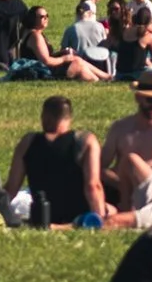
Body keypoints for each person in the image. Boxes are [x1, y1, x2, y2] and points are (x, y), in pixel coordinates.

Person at [7, 93, 106, 227]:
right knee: (112, 210)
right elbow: (93, 186)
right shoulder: (86, 141)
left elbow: (11, 188)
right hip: (78, 216)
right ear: (69, 118)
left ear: (45, 116)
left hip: (42, 216)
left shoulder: (28, 142)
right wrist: (99, 220)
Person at [98, 78, 152, 219]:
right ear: (138, 98)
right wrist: (121, 183)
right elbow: (99, 166)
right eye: (150, 100)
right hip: (118, 190)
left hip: (149, 191)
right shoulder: (120, 128)